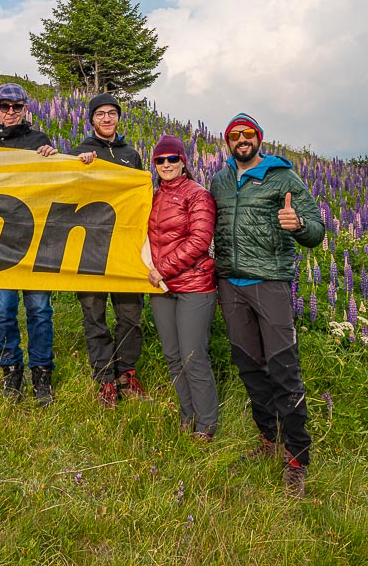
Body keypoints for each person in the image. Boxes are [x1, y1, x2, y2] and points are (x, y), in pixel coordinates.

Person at [209, 112, 324, 498]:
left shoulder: (283, 177)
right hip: (230, 283)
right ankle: (268, 439)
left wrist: (299, 225)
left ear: (259, 138)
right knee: (250, 367)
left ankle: (297, 456)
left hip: (270, 282)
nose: (241, 140)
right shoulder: (220, 179)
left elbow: (316, 230)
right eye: (234, 135)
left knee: (283, 367)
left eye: (248, 134)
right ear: (227, 142)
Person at [0, 83, 59, 405]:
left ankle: (41, 373)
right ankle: (11, 370)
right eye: (4, 106)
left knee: (39, 310)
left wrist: (53, 159)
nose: (10, 112)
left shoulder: (39, 142)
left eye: (16, 107)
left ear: (25, 109)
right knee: (3, 311)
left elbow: (57, 186)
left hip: (35, 241)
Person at [71, 93, 147, 407]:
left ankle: (125, 373)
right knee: (94, 315)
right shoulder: (79, 152)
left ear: (118, 118)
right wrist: (80, 169)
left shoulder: (132, 155)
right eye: (100, 114)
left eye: (111, 114)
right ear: (91, 119)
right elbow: (67, 194)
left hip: (125, 248)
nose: (106, 119)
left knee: (131, 315)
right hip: (90, 248)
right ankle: (103, 378)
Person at [146, 134, 219, 440]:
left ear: (183, 161)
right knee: (173, 355)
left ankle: (206, 425)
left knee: (193, 357)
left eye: (172, 159)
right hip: (161, 288)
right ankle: (187, 414)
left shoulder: (197, 194)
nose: (166, 164)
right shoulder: (151, 195)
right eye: (160, 160)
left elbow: (199, 241)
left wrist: (161, 268)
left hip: (194, 284)